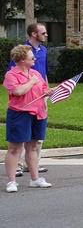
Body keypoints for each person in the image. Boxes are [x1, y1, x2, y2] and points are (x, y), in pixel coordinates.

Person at [5, 45, 54, 192]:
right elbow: (18, 91)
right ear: (21, 59)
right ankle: (12, 182)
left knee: (33, 146)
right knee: (15, 148)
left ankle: (35, 179)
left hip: (39, 113)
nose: (34, 58)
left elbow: (44, 89)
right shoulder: (11, 75)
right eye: (31, 56)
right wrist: (31, 82)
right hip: (20, 113)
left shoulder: (36, 74)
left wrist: (49, 92)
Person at [8, 23, 49, 178]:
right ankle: (17, 165)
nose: (46, 35)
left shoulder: (43, 51)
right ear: (33, 34)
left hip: (40, 93)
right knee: (20, 135)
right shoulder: (23, 51)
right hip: (25, 97)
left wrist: (47, 90)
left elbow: (44, 72)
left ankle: (32, 164)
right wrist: (29, 83)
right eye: (43, 33)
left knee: (37, 135)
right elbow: (14, 72)